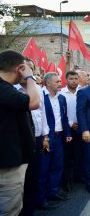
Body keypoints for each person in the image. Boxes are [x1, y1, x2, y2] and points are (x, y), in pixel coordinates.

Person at [0, 50, 40, 215]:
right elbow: (34, 102)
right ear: (20, 69)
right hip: (7, 164)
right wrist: (30, 77)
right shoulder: (3, 89)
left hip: (10, 158)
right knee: (10, 211)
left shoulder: (7, 89)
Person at [15, 59, 50, 214]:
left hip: (36, 138)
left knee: (34, 176)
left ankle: (31, 208)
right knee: (18, 181)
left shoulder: (37, 88)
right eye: (23, 69)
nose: (27, 72)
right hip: (18, 141)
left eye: (30, 69)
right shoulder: (10, 90)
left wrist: (45, 136)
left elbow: (42, 114)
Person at [37, 72, 72, 208]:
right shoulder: (40, 96)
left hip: (59, 137)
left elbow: (64, 117)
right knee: (43, 169)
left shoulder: (61, 98)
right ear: (48, 83)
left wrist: (67, 133)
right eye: (57, 82)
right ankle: (41, 199)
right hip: (46, 138)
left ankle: (53, 191)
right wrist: (43, 137)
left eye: (60, 81)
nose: (60, 83)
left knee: (57, 166)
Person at [60, 71, 83, 192]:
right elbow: (60, 113)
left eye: (76, 78)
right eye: (71, 79)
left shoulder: (83, 91)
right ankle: (67, 181)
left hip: (80, 128)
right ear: (66, 79)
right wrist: (70, 124)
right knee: (67, 156)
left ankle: (78, 176)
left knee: (79, 154)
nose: (74, 81)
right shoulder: (61, 93)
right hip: (67, 129)